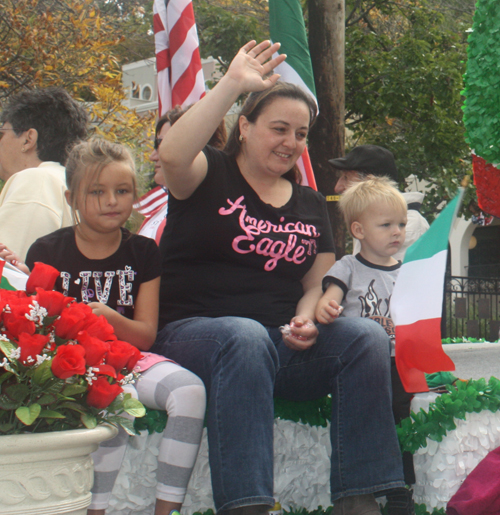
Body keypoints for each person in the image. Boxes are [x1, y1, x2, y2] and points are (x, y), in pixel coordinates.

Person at [151, 40, 405, 515]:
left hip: (281, 345)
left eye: (302, 133)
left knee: (364, 337)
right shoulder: (208, 173)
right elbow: (173, 155)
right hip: (196, 339)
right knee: (243, 336)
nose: (291, 142)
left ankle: (361, 498)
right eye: (279, 128)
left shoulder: (309, 202)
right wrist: (232, 83)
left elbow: (316, 282)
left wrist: (308, 318)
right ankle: (248, 505)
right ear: (244, 128)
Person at [19, 138, 206, 515]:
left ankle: (166, 508)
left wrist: (110, 318)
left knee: (190, 391)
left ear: (135, 195)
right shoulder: (47, 251)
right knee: (106, 396)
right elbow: (36, 333)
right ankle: (95, 509)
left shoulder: (143, 252)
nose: (111, 201)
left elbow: (146, 334)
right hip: (71, 367)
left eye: (122, 191)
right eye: (97, 191)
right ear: (71, 198)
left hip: (130, 356)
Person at [315, 176, 415, 515]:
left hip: (401, 360)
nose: (397, 231)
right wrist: (327, 306)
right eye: (385, 224)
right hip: (367, 366)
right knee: (380, 416)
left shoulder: (407, 272)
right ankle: (383, 486)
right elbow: (328, 298)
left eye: (401, 224)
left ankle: (402, 487)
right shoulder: (348, 267)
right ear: (358, 230)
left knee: (404, 416)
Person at [0, 87, 89, 261]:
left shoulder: (36, 181)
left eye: (2, 134)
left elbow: (8, 278)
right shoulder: (66, 182)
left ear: (28, 139)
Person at [135, 105, 227, 244]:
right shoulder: (158, 210)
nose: (153, 157)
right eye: (157, 145)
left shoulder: (220, 213)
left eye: (163, 145)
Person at [329, 145, 429, 261]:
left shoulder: (410, 225)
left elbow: (380, 276)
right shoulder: (372, 218)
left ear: (370, 183)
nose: (338, 187)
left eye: (346, 178)